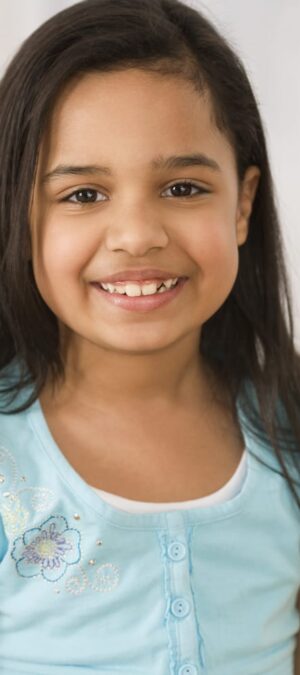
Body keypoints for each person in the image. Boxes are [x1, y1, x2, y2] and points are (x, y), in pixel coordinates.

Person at [0, 0, 299, 672]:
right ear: (17, 211)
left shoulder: (290, 428)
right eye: (82, 194)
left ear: (243, 203)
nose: (137, 235)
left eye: (183, 186)